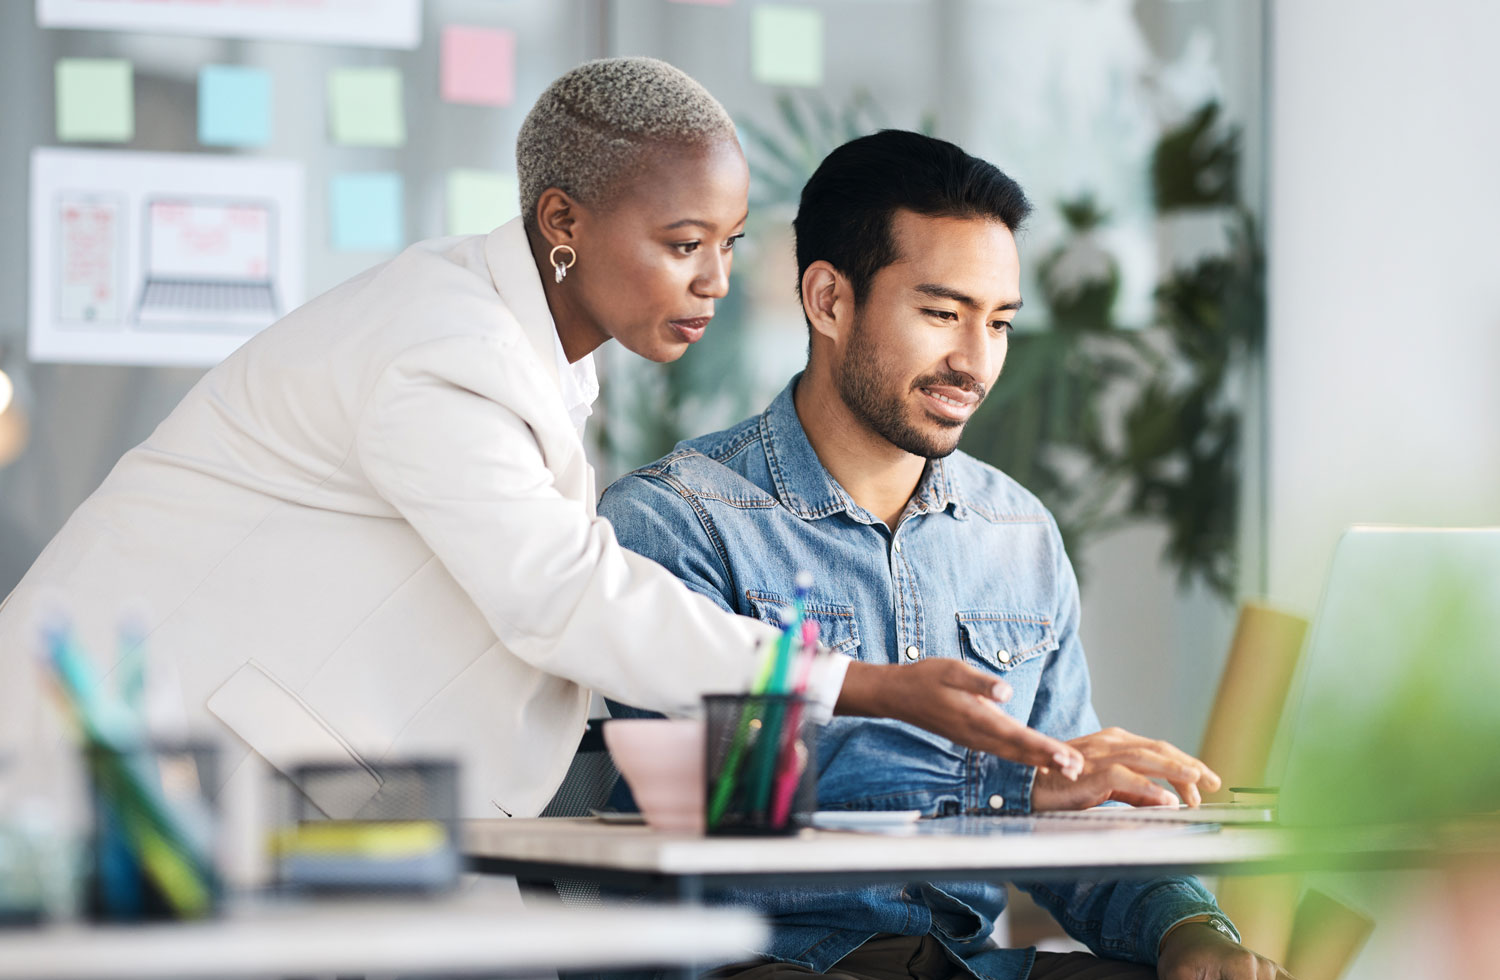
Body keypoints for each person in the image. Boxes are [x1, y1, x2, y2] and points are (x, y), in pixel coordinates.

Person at [0, 60, 1083, 834]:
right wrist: (863, 684)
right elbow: (559, 595)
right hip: (84, 763)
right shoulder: (441, 348)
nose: (714, 280)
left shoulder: (530, 355)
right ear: (563, 221)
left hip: (199, 780)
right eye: (680, 244)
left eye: (728, 243)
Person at [585, 131, 1322, 980]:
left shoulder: (1015, 531)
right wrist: (1010, 786)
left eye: (999, 321)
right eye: (942, 314)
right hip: (753, 967)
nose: (975, 362)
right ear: (828, 299)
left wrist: (1190, 928)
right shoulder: (677, 520)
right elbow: (727, 801)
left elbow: (1074, 822)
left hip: (971, 971)